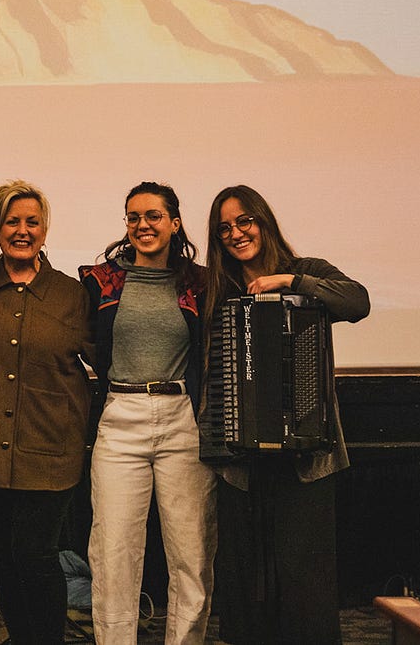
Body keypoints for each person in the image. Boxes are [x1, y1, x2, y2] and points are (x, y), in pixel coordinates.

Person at [202, 185, 371, 645]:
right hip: (239, 460)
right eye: (224, 228)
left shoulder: (307, 271)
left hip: (306, 458)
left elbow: (358, 301)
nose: (236, 233)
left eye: (244, 221)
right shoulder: (218, 288)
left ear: (263, 220)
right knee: (247, 585)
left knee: (305, 584)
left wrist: (288, 283)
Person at [80, 182, 216, 645]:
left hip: (182, 419)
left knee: (192, 553)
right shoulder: (100, 281)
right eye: (133, 217)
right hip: (120, 415)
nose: (143, 225)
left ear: (174, 223)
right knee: (113, 552)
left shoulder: (200, 283)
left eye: (153, 216)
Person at [0, 180, 93, 645]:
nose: (23, 230)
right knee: (5, 559)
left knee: (36, 556)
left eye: (32, 222)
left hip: (51, 451)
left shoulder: (73, 295)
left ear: (44, 229)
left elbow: (106, 359)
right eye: (12, 222)